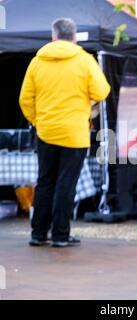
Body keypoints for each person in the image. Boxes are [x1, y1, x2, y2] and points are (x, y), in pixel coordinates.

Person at [19, 18, 111, 248]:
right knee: (65, 184)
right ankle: (60, 235)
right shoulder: (84, 60)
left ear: (53, 36)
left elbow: (24, 99)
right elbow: (101, 91)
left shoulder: (37, 62)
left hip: (46, 132)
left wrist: (38, 121)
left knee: (44, 182)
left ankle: (38, 233)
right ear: (74, 36)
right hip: (74, 133)